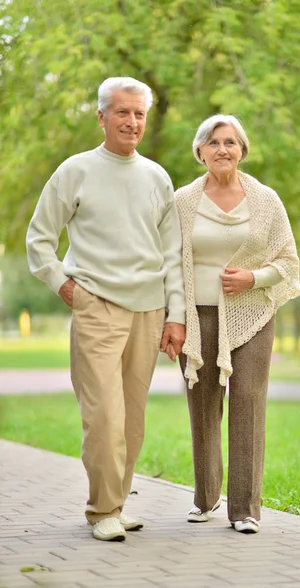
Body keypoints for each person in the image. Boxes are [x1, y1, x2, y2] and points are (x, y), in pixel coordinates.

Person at [26, 77, 186, 542]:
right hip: (96, 306)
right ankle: (102, 511)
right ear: (101, 117)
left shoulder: (157, 176)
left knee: (132, 418)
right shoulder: (75, 170)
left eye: (139, 114)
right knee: (103, 416)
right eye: (122, 112)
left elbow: (172, 253)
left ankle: (117, 502)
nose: (132, 122)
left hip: (149, 310)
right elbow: (39, 239)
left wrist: (175, 315)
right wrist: (64, 285)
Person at [176, 115, 300, 534]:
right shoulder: (183, 201)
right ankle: (206, 497)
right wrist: (171, 317)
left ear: (242, 149)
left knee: (248, 402)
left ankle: (245, 509)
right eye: (213, 142)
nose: (222, 149)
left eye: (230, 141)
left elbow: (287, 260)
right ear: (200, 152)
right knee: (204, 403)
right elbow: (169, 263)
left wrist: (254, 277)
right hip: (199, 315)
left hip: (251, 315)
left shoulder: (266, 199)